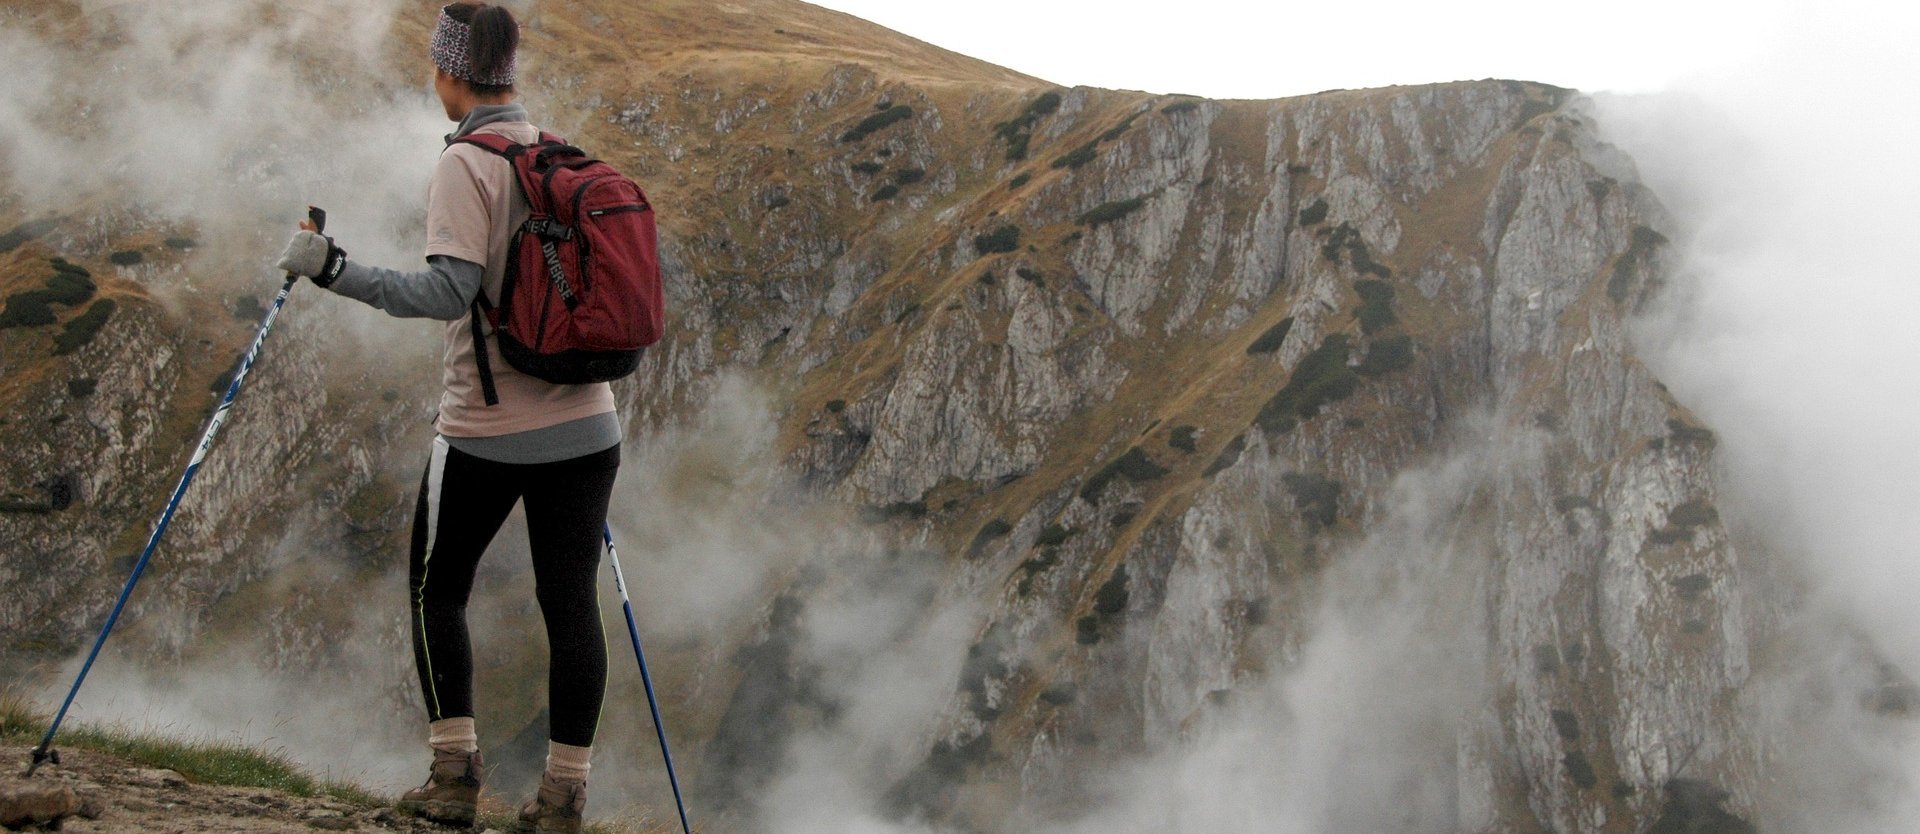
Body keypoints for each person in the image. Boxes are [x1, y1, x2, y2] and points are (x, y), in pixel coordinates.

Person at [276, 4, 616, 832]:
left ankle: (454, 778)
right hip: (588, 425)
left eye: (437, 66)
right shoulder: (554, 156)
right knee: (571, 603)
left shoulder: (467, 162)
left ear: (451, 73)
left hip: (486, 430)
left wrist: (333, 269)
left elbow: (445, 293)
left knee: (437, 587)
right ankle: (564, 799)